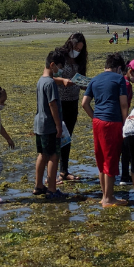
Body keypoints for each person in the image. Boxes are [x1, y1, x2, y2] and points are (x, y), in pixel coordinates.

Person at [82, 53, 129, 208]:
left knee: (101, 159)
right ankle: (109, 199)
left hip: (98, 122)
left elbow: (84, 103)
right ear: (119, 68)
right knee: (111, 159)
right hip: (112, 122)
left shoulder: (94, 79)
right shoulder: (119, 79)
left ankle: (105, 196)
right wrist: (125, 123)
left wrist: (95, 117)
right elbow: (123, 104)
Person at [53, 33, 88, 183]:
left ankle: (64, 171)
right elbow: (50, 78)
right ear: (70, 44)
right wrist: (63, 81)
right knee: (56, 136)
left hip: (73, 101)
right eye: (75, 48)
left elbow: (82, 80)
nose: (77, 51)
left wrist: (84, 84)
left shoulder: (80, 60)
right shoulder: (59, 56)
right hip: (59, 101)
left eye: (80, 49)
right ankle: (52, 173)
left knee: (67, 138)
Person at [33, 50, 67, 199]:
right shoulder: (50, 83)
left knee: (42, 154)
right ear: (52, 65)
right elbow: (52, 104)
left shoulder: (41, 80)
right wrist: (58, 126)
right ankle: (52, 189)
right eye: (59, 67)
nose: (60, 70)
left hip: (39, 124)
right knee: (54, 155)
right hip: (49, 125)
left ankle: (38, 185)